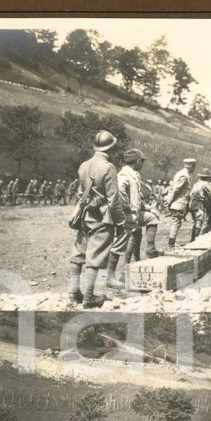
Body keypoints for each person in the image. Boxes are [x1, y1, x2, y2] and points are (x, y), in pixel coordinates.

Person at [68, 130, 125, 308]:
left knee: (79, 254)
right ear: (111, 148)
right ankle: (89, 298)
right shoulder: (109, 167)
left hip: (84, 215)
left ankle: (74, 292)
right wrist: (120, 222)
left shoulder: (84, 165)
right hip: (101, 218)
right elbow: (114, 199)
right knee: (95, 257)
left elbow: (80, 192)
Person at [106, 148, 148, 289]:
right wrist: (126, 206)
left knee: (128, 240)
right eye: (141, 161)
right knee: (119, 245)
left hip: (132, 214)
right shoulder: (124, 174)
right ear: (137, 161)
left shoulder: (132, 174)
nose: (142, 164)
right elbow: (120, 189)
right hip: (127, 215)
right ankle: (110, 278)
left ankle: (124, 273)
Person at [165, 158, 198, 248]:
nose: (195, 168)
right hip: (179, 203)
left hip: (179, 202)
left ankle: (171, 243)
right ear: (190, 166)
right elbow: (176, 190)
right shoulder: (184, 175)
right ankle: (171, 244)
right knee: (176, 222)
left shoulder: (181, 173)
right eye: (194, 166)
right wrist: (169, 201)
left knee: (177, 222)